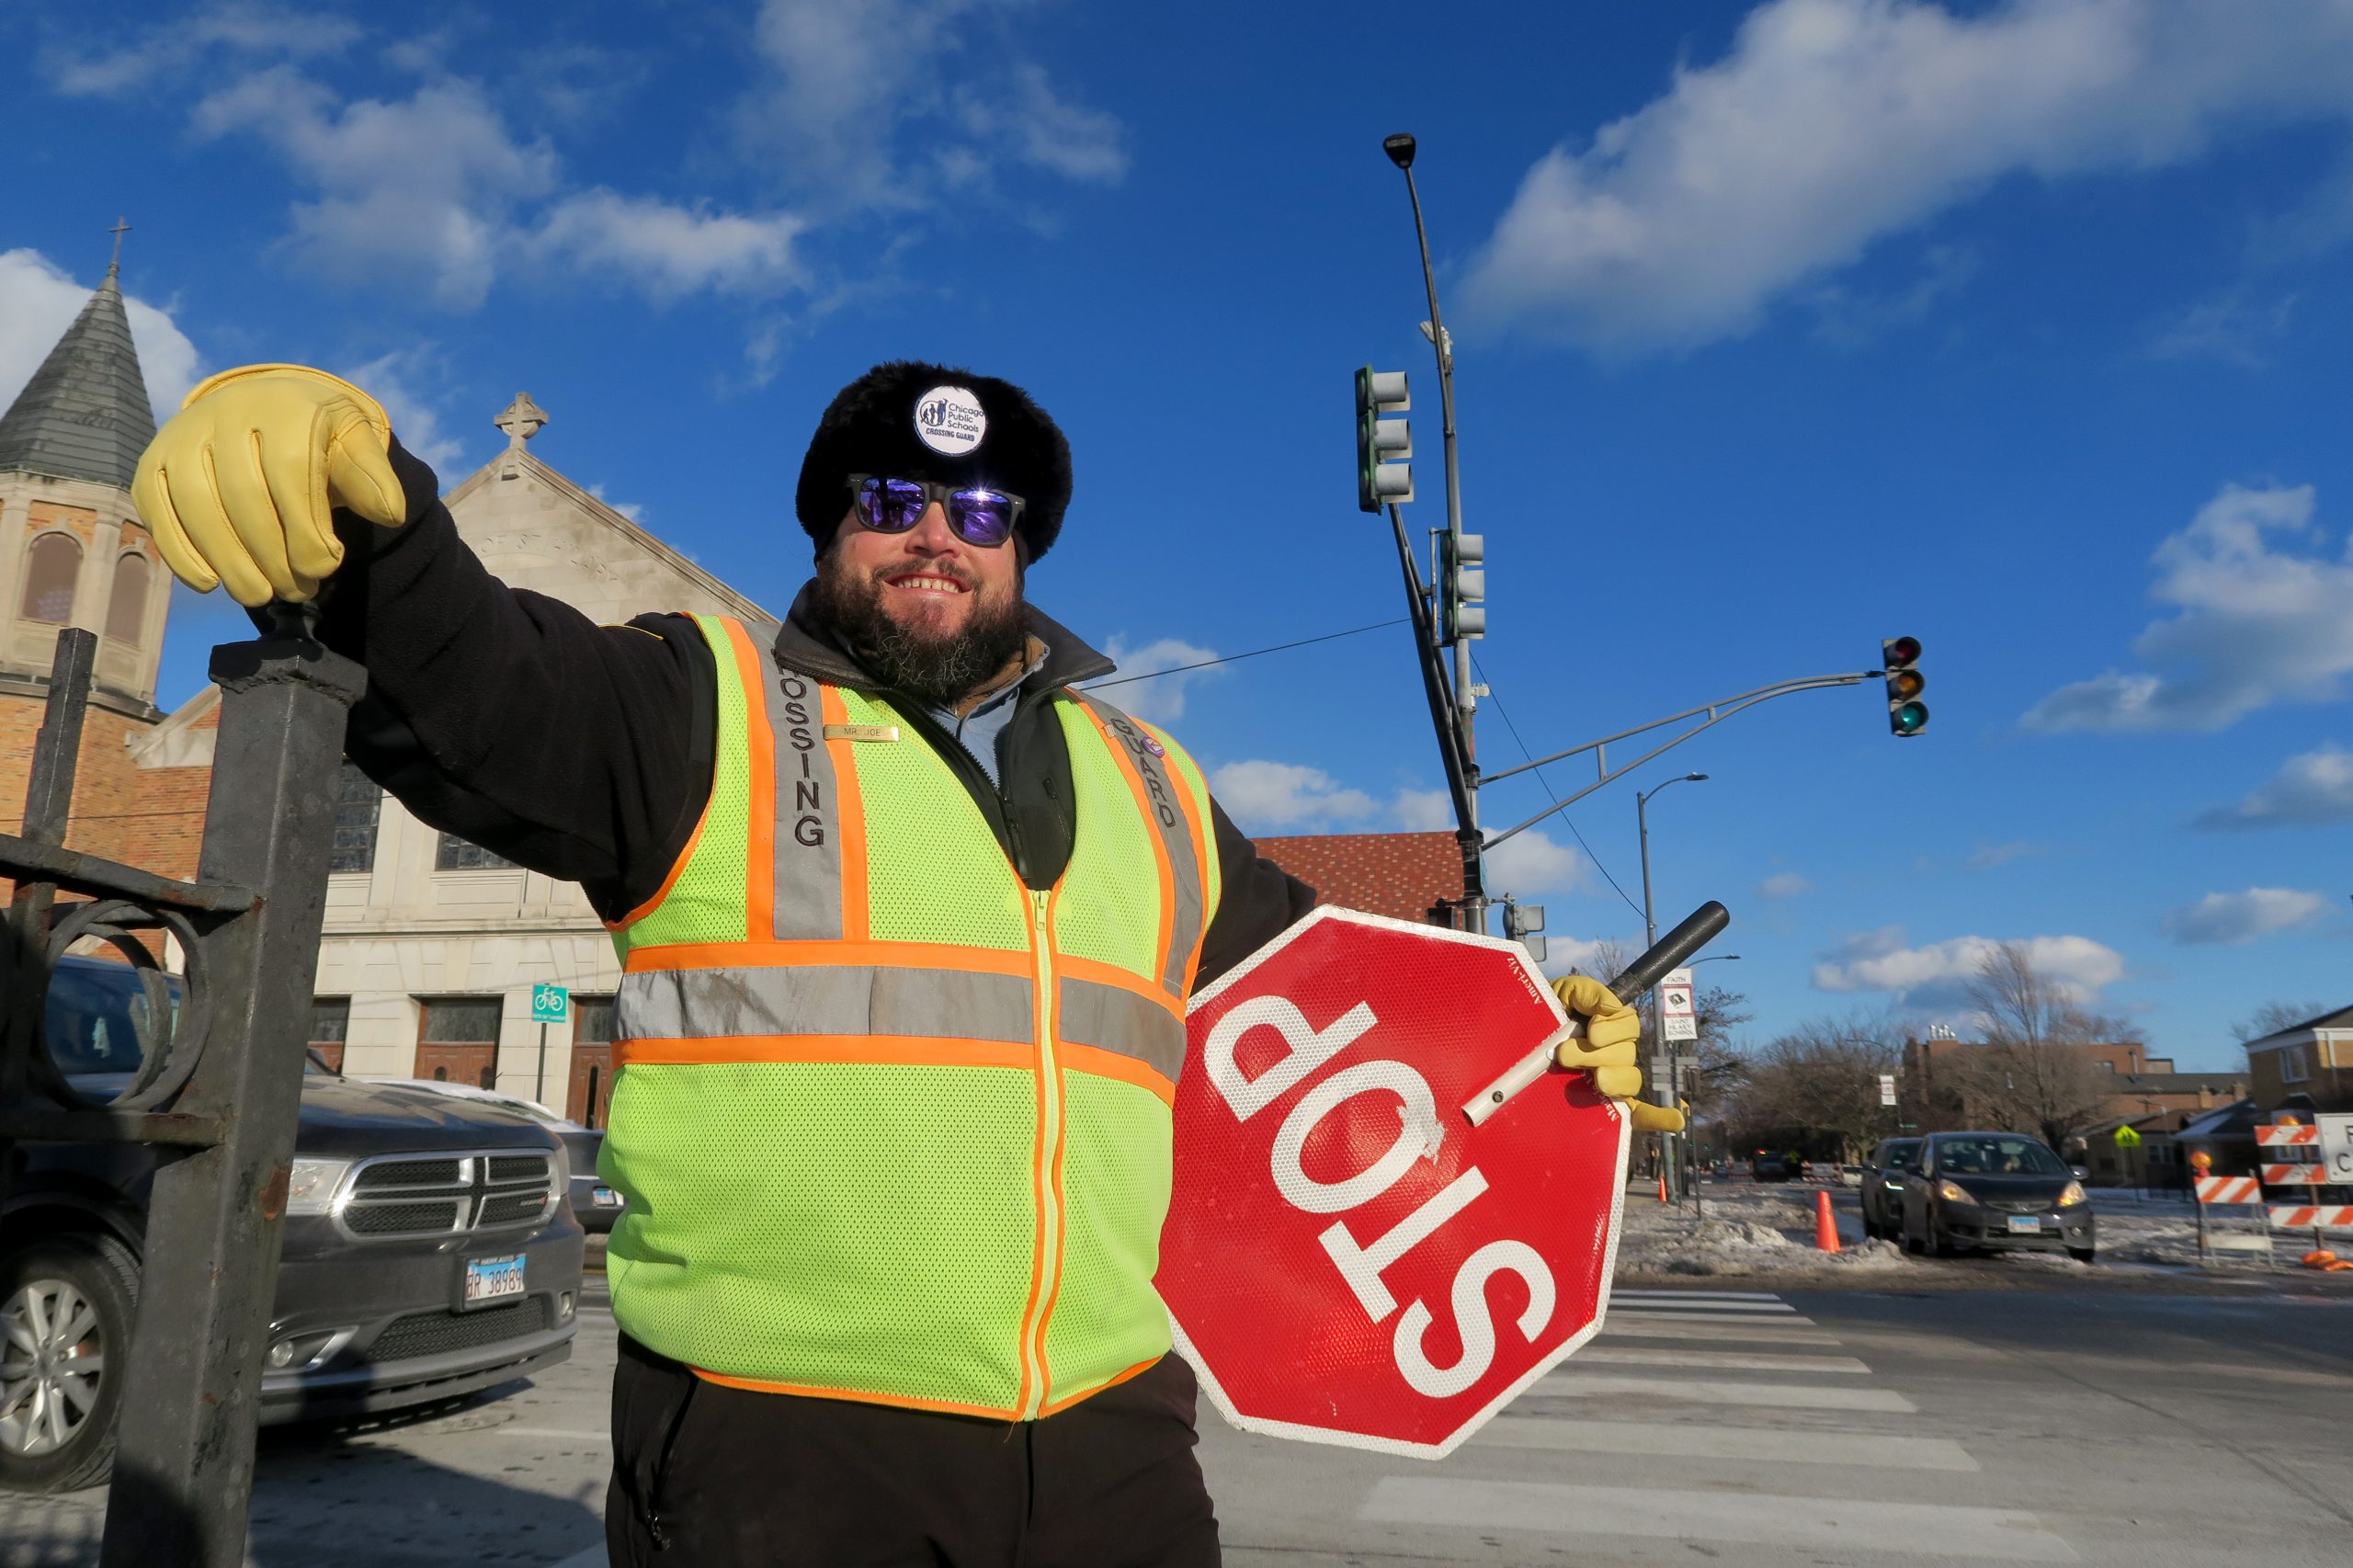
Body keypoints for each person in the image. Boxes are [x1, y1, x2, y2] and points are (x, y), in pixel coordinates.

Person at [131, 359, 1680, 1567]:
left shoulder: (1152, 786)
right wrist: (370, 512)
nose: (939, 535)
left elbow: (1352, 1008)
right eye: (895, 497)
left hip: (1113, 1449)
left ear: (1025, 550)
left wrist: (1546, 1049)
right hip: (780, 1456)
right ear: (830, 531)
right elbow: (481, 680)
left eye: (983, 510)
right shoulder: (703, 711)